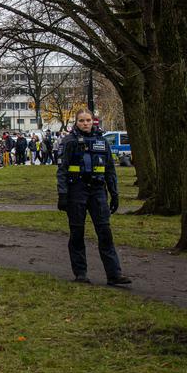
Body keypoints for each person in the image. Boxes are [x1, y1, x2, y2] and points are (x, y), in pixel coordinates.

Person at [56, 109, 132, 286]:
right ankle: (80, 273)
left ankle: (114, 274)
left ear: (93, 121)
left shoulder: (102, 141)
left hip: (98, 191)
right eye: (81, 120)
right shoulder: (69, 142)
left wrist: (114, 193)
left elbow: (110, 170)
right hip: (77, 191)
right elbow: (62, 170)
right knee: (77, 232)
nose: (85, 123)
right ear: (76, 122)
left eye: (88, 120)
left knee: (105, 232)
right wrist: (63, 194)